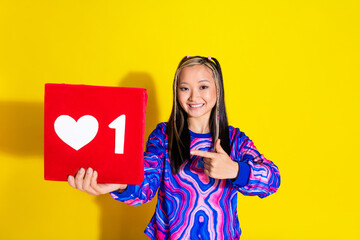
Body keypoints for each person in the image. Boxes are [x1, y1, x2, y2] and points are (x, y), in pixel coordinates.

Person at [68, 55, 281, 239]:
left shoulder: (234, 139)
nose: (193, 96)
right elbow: (145, 187)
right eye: (184, 88)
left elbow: (272, 180)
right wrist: (119, 184)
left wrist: (235, 170)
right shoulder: (163, 137)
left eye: (203, 87)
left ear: (218, 90)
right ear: (176, 92)